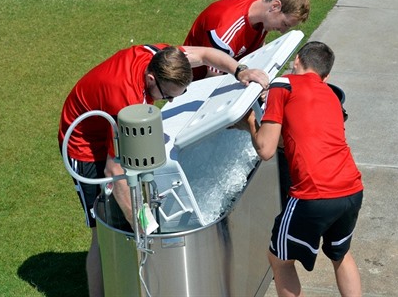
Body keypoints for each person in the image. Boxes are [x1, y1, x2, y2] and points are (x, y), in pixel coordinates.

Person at [58, 43, 269, 297]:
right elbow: (113, 172)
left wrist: (239, 70)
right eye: (167, 96)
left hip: (109, 123)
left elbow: (203, 54)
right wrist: (145, 231)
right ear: (150, 78)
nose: (169, 102)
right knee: (100, 234)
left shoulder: (160, 56)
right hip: (83, 146)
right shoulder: (125, 100)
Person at [236, 41, 364, 296]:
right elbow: (299, 134)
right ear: (325, 75)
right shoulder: (331, 95)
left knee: (280, 260)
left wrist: (250, 122)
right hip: (352, 189)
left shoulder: (283, 84)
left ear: (297, 61)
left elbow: (266, 149)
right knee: (340, 254)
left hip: (313, 194)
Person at [184, 0, 310, 81]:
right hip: (193, 83)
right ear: (275, 6)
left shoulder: (263, 6)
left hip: (232, 70)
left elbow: (258, 47)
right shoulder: (225, 34)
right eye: (284, 24)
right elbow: (212, 81)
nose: (283, 31)